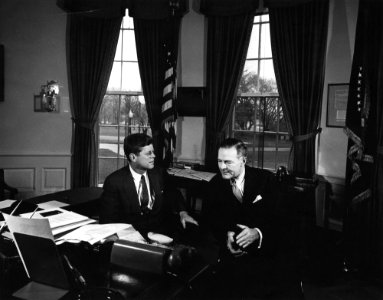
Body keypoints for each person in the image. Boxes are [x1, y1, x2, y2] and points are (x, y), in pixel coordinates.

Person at [202, 138, 301, 299]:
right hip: (231, 257)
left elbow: (284, 221)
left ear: (243, 161)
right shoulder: (214, 185)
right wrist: (225, 236)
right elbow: (210, 222)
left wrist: (258, 232)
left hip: (266, 256)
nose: (222, 167)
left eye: (228, 162)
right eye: (219, 161)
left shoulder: (266, 180)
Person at [99, 133, 198, 237]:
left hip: (160, 233)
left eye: (153, 152)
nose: (153, 156)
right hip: (131, 237)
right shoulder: (114, 182)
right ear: (133, 157)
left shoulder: (159, 173)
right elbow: (107, 220)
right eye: (148, 153)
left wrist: (183, 213)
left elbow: (174, 193)